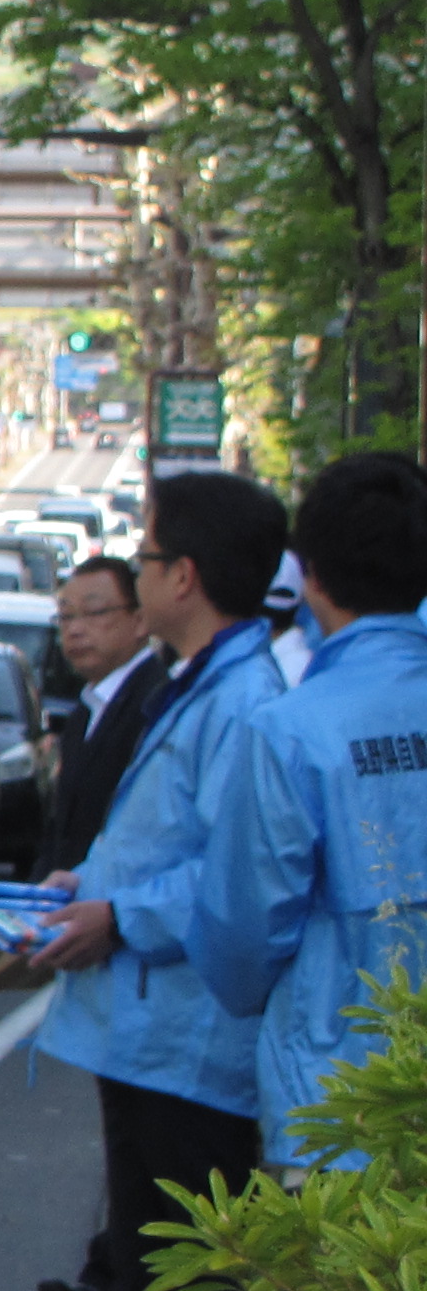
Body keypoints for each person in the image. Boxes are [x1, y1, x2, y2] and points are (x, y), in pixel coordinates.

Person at [0, 477, 285, 1291]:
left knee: (168, 1273)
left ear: (184, 576)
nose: (140, 562)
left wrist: (123, 910)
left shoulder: (243, 698)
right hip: (156, 1020)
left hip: (189, 1028)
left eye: (148, 550)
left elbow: (237, 873)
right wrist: (94, 877)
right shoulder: (193, 679)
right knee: (151, 1263)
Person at [191, 452, 427, 1174]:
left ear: (311, 574)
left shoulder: (291, 728)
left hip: (338, 1106)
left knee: (339, 1286)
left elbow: (241, 929)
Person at [38, 554, 163, 876]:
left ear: (139, 620)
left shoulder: (157, 702)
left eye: (94, 613)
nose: (75, 629)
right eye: (65, 617)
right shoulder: (85, 710)